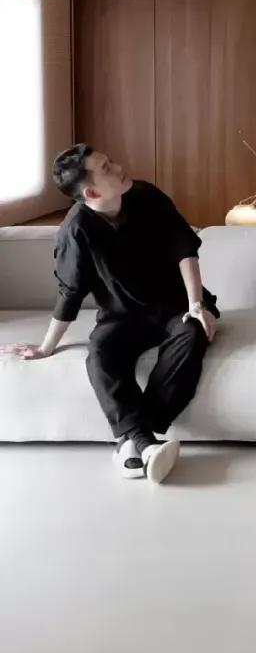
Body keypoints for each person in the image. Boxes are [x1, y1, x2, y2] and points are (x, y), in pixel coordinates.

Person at [0, 146, 218, 482]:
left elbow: (184, 249)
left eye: (110, 161)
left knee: (192, 333)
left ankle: (135, 439)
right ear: (91, 192)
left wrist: (196, 305)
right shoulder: (76, 229)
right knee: (100, 352)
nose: (118, 167)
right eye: (106, 168)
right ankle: (146, 444)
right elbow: (70, 292)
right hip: (122, 316)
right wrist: (46, 346)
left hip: (177, 305)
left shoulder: (147, 196)